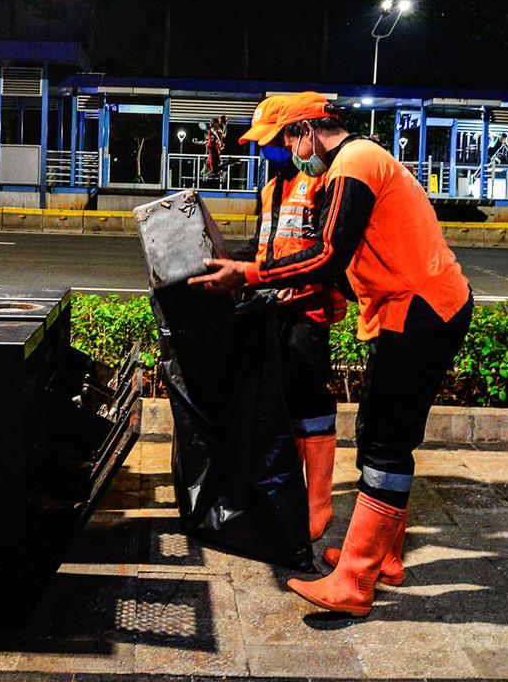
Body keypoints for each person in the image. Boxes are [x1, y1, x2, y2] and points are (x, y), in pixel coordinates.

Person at [189, 91, 473, 616]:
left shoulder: (355, 163)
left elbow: (325, 252)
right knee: (378, 431)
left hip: (422, 309)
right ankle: (383, 557)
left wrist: (247, 275)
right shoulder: (353, 162)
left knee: (386, 440)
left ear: (305, 131)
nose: (282, 155)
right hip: (411, 309)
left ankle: (355, 582)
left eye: (282, 143)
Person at [228, 96, 347, 541]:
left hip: (308, 314)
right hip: (272, 311)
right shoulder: (270, 189)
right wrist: (221, 265)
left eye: (274, 142)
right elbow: (266, 248)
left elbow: (332, 249)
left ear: (296, 135)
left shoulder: (324, 182)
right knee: (280, 405)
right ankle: (288, 495)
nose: (268, 152)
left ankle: (318, 505)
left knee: (310, 405)